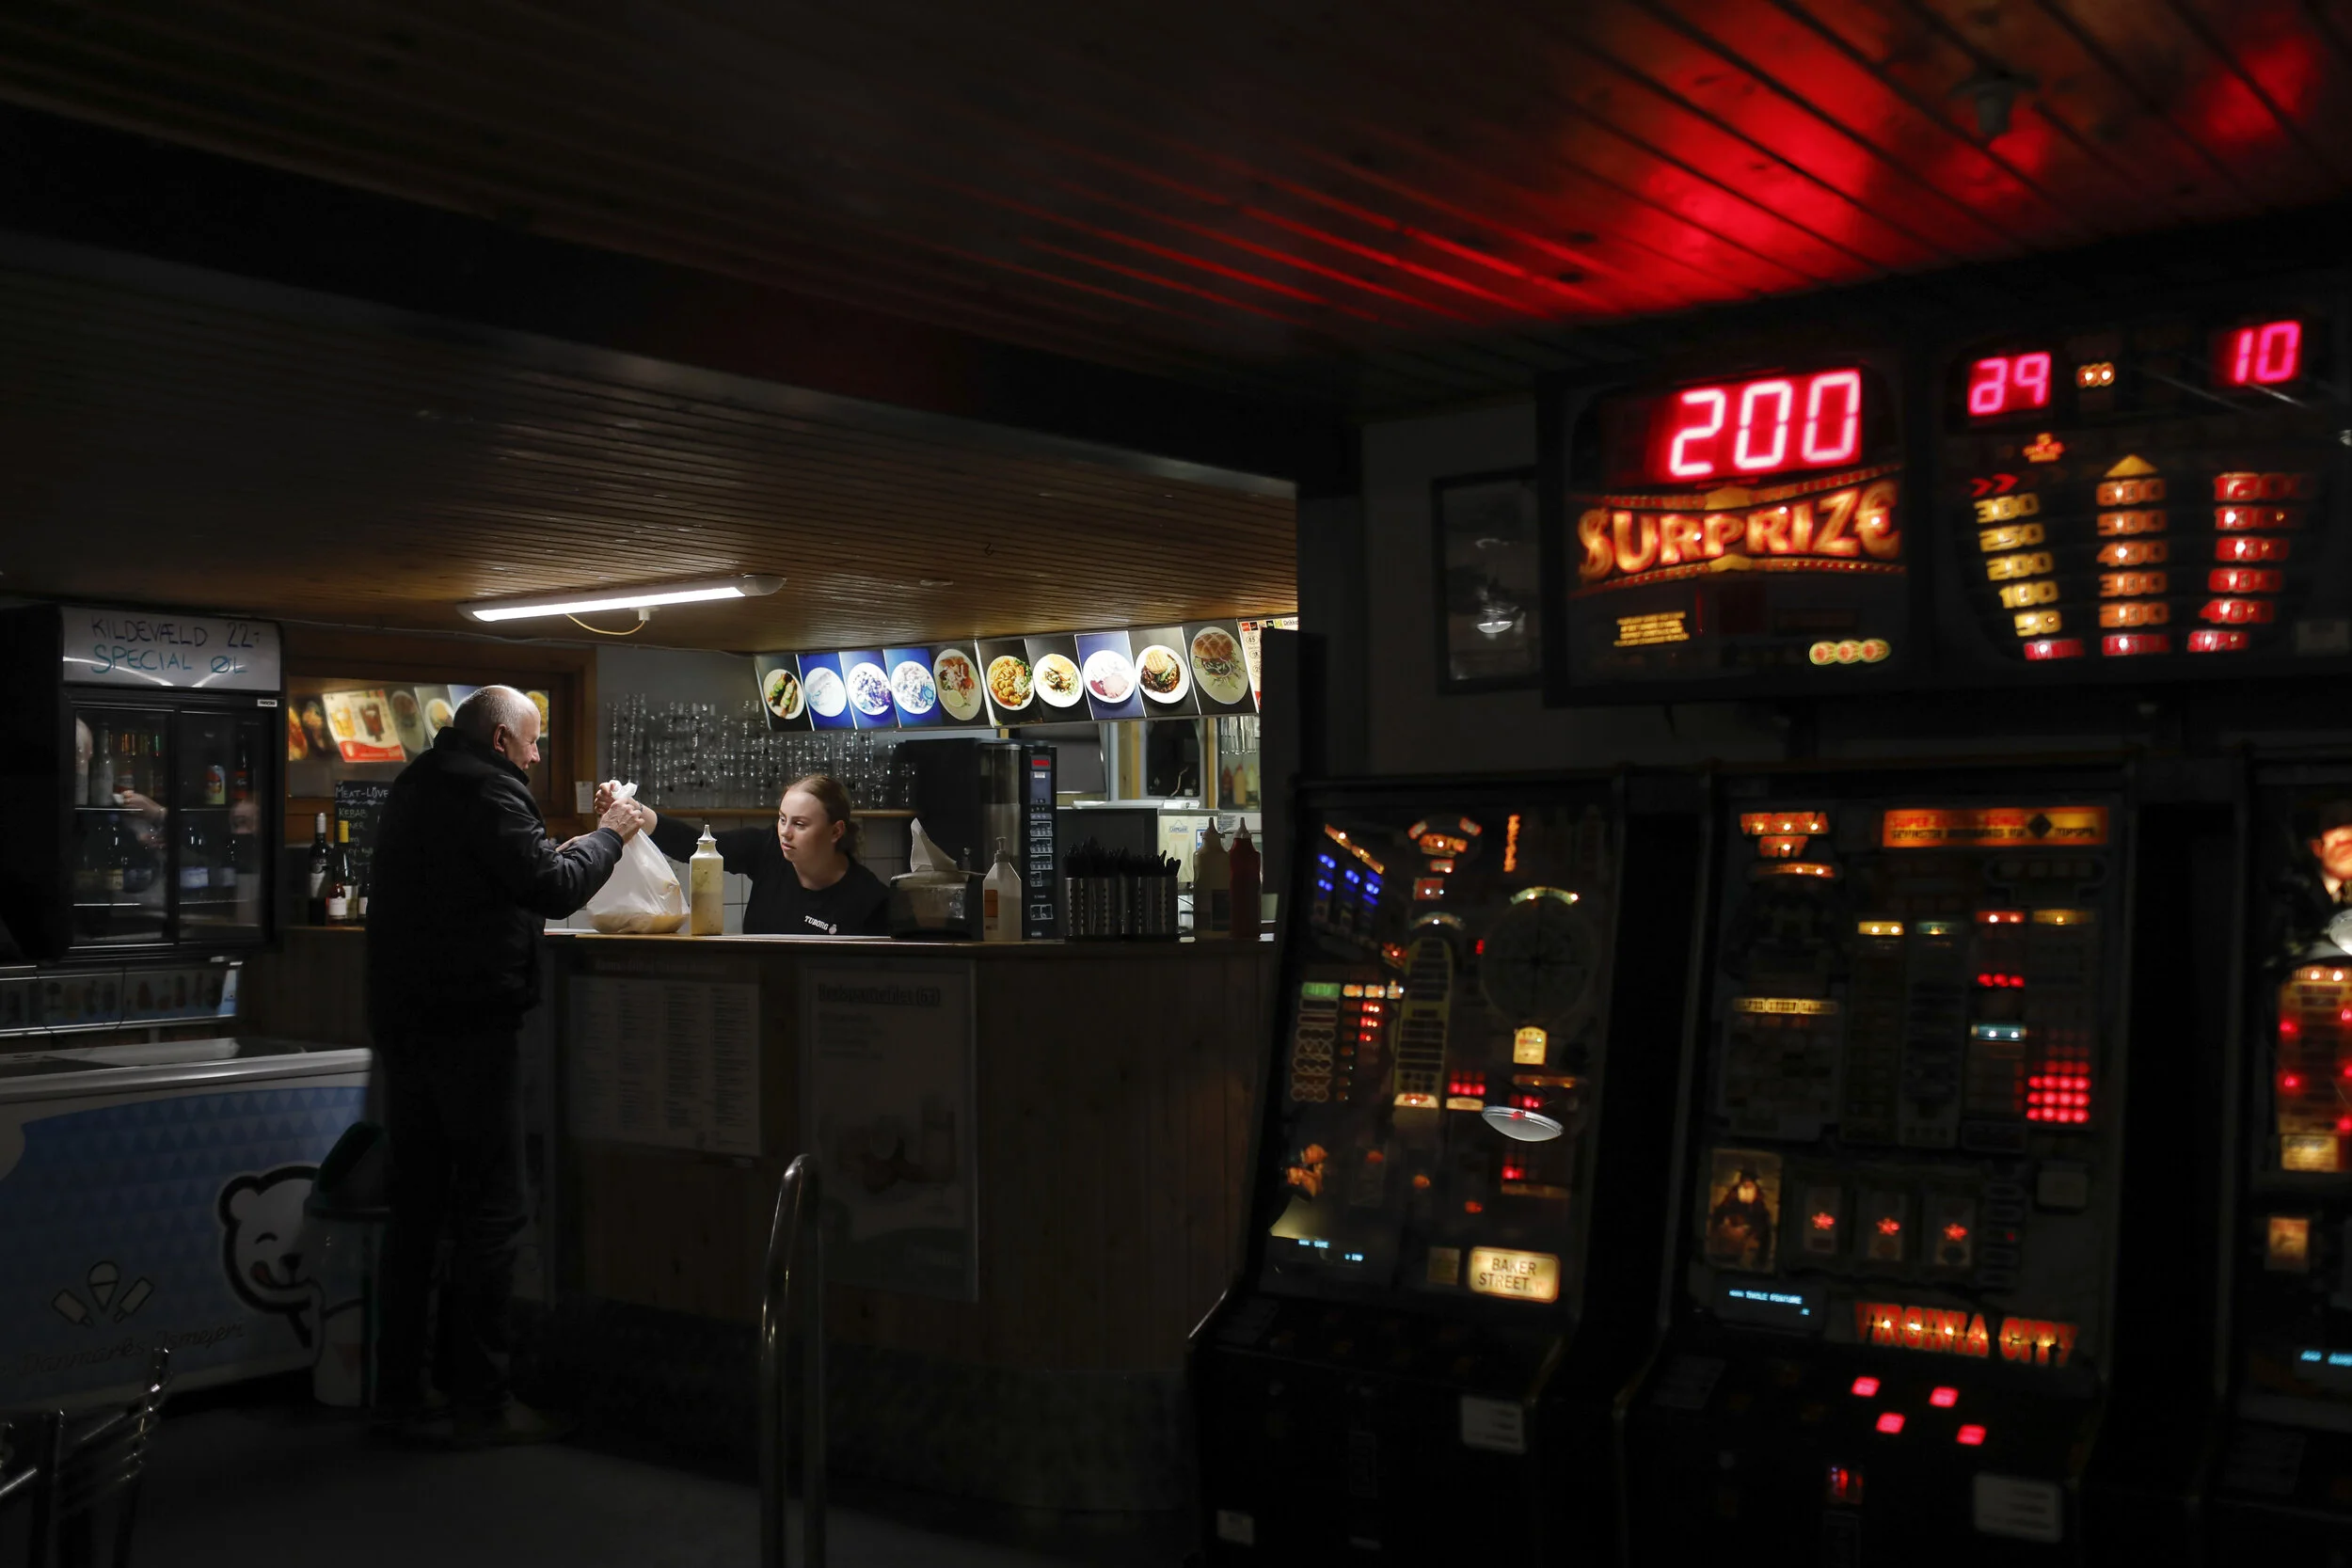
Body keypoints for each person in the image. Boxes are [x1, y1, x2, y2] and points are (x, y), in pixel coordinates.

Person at [367, 684, 650, 1445]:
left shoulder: (416, 783)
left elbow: (497, 876)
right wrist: (614, 834)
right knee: (493, 1212)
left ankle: (398, 1388)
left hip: (405, 1027)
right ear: (500, 742)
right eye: (531, 744)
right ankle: (481, 1399)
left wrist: (570, 845)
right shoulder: (492, 789)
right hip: (473, 1027)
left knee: (418, 1213)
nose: (536, 756)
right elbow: (550, 888)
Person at [599, 772, 888, 936]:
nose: (785, 832)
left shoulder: (869, 900)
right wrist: (633, 809)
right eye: (782, 818)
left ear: (836, 831)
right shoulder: (766, 849)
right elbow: (693, 844)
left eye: (800, 824)